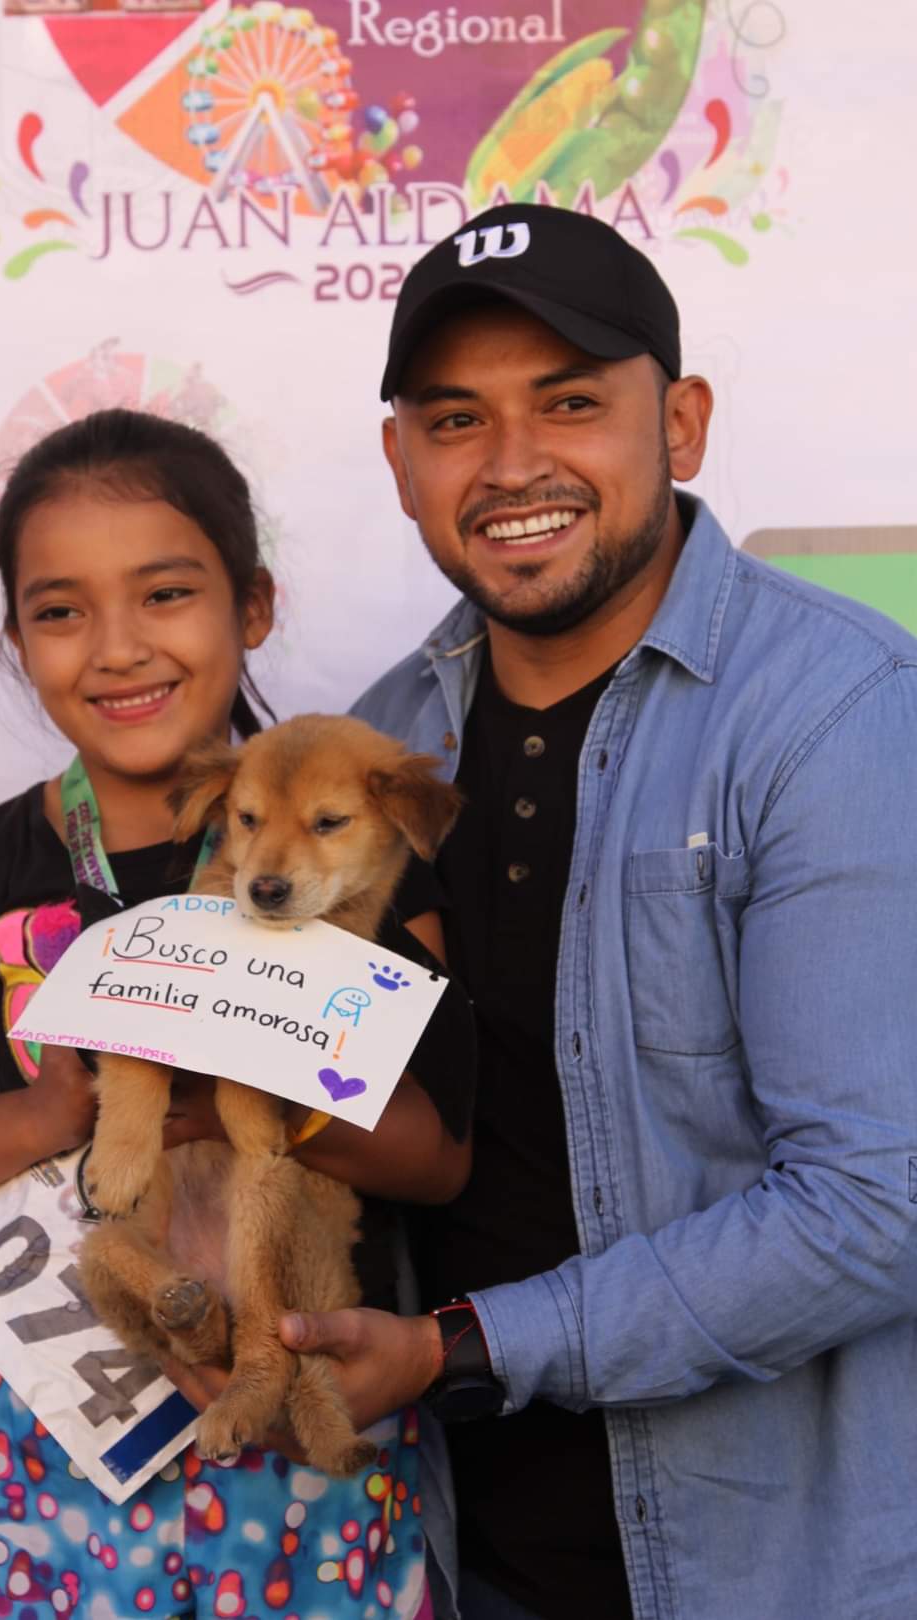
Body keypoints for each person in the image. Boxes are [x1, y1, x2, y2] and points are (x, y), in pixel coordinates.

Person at [272, 205, 917, 1620]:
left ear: (679, 422)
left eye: (570, 403)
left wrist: (461, 1349)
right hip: (463, 1554)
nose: (513, 466)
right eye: (456, 420)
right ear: (400, 462)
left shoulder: (836, 713)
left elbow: (877, 1207)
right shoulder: (378, 755)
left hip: (777, 1572)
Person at [0, 408, 472, 1620]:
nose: (117, 648)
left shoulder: (362, 846)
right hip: (66, 1458)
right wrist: (60, 1106)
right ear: (14, 635)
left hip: (311, 1430)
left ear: (255, 607)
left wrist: (234, 1094)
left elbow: (438, 1159)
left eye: (166, 593)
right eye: (60, 610)